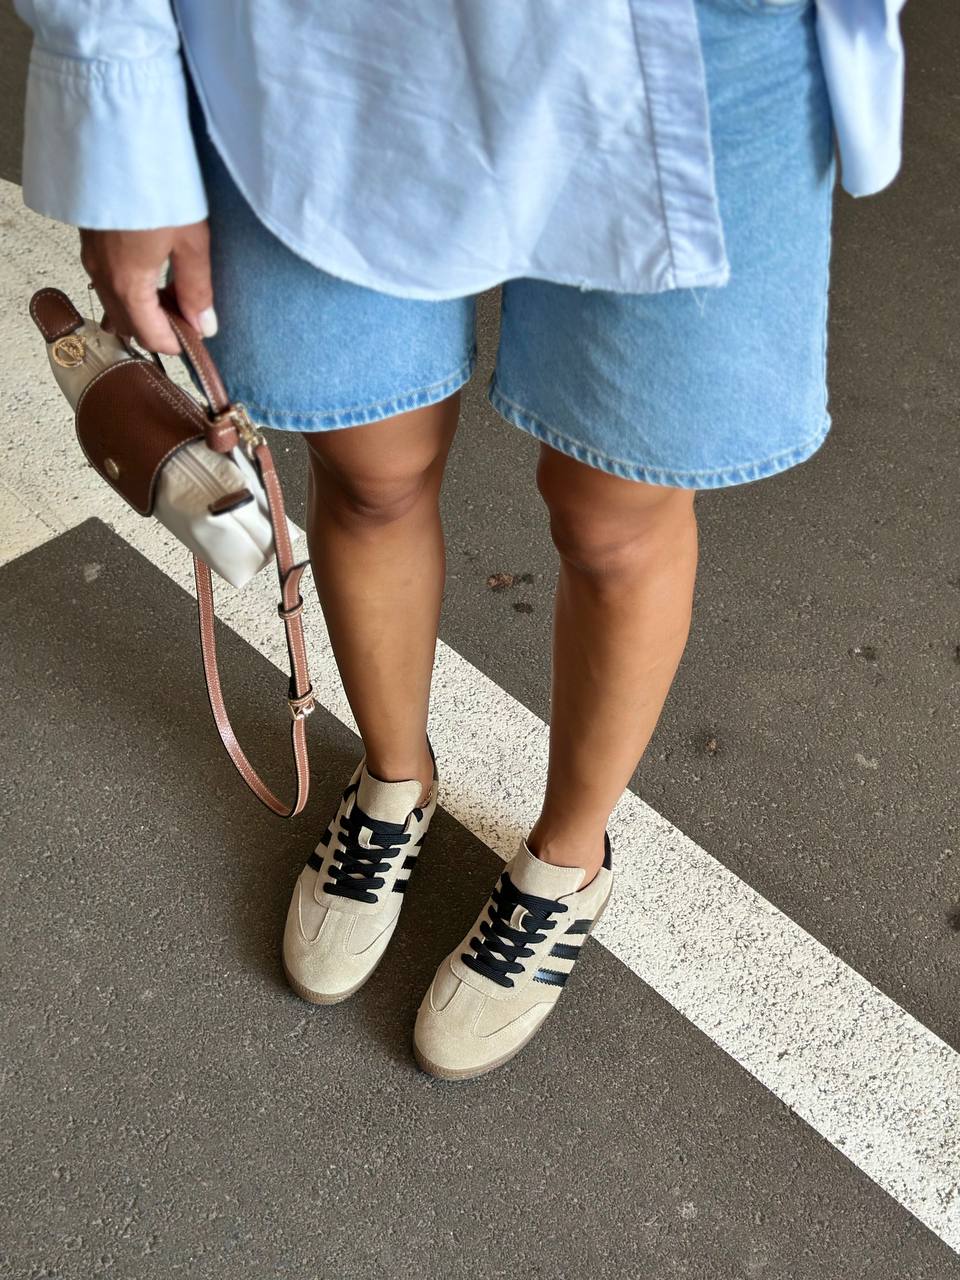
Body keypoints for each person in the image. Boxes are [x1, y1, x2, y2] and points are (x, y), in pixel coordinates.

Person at [14, 0, 906, 1080]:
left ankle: (569, 863)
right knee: (367, 468)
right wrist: (119, 101)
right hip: (322, 41)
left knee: (615, 517)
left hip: (698, 42)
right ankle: (394, 779)